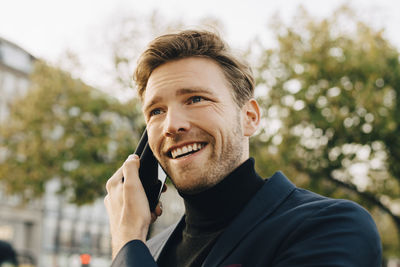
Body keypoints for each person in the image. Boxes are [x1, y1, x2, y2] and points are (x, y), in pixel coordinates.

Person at [104, 30, 382, 266]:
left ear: (250, 117)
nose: (171, 125)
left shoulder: (332, 227)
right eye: (156, 111)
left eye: (195, 99)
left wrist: (127, 240)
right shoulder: (146, 251)